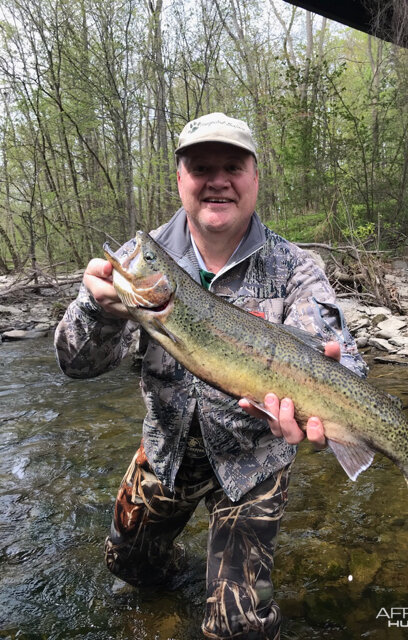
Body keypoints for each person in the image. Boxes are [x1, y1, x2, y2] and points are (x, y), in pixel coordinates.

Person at [55, 112, 367, 640]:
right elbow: (73, 365)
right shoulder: (145, 261)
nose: (217, 179)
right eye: (201, 167)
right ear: (180, 179)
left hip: (253, 461)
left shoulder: (296, 268)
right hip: (167, 450)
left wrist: (333, 414)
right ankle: (182, 582)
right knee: (127, 567)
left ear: (254, 178)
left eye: (232, 166)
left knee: (239, 628)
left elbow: (344, 362)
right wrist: (99, 309)